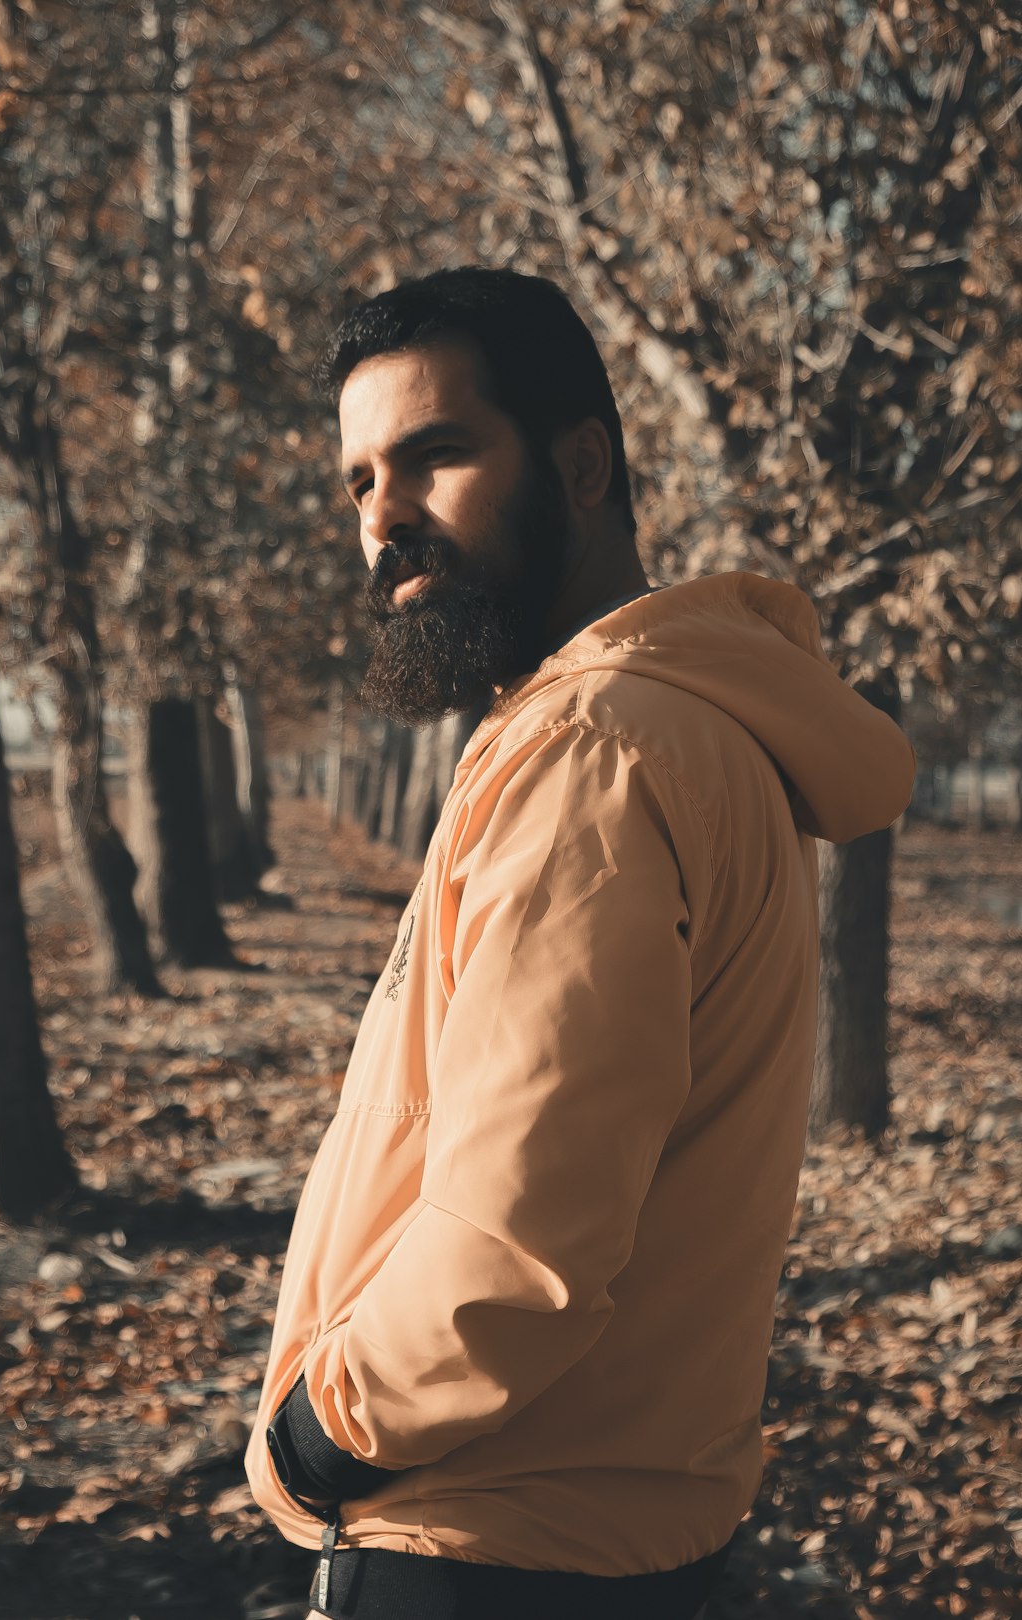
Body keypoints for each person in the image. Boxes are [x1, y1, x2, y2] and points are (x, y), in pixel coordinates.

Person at [245, 267, 916, 1619]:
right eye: (359, 483)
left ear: (583, 464)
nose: (384, 520)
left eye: (434, 455)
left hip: (488, 1545)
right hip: (623, 1526)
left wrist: (319, 1433)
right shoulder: (687, 729)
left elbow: (516, 1251)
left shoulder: (595, 751)